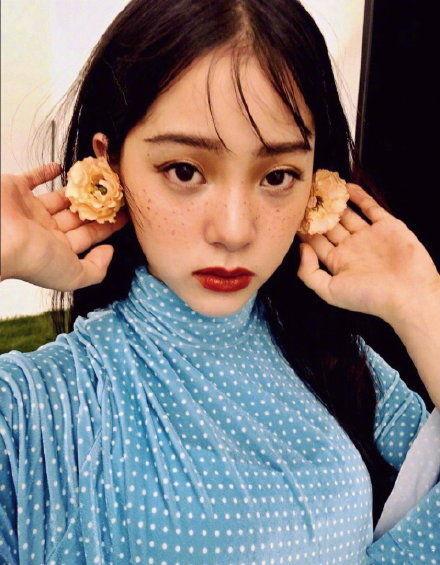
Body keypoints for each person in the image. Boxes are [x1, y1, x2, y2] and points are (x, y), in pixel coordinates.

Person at [1, 0, 439, 563]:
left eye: (277, 176)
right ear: (108, 167)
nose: (234, 231)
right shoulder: (46, 410)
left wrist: (422, 304)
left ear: (317, 185)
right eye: (184, 171)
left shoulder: (338, 362)